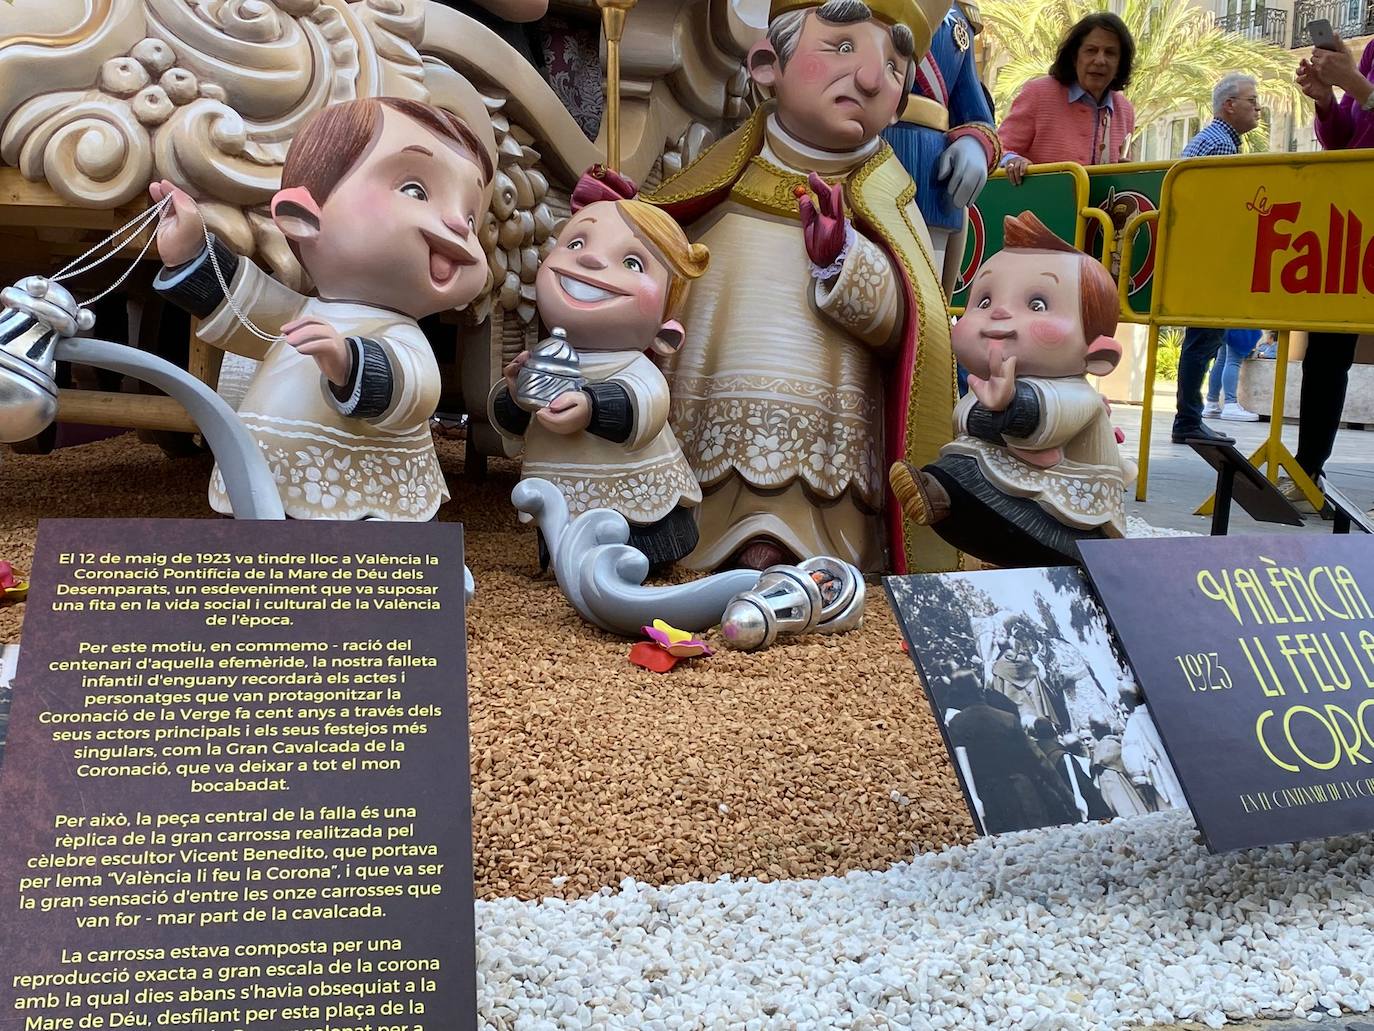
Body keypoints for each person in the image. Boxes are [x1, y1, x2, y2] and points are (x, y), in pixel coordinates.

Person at [644, 0, 957, 575]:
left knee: (814, 512)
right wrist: (630, 229)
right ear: (768, 65)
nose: (869, 78)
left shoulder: (890, 205)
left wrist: (846, 261)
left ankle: (811, 548)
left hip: (828, 449)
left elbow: (911, 333)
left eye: (893, 68)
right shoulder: (710, 181)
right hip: (703, 416)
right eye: (841, 48)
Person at [151, 99, 494, 521]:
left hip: (362, 485)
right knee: (263, 534)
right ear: (301, 216)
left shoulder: (401, 334)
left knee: (366, 548)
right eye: (415, 191)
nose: (460, 224)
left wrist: (351, 362)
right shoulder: (302, 312)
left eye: (472, 217)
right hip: (271, 471)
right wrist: (191, 251)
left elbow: (418, 388)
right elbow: (243, 305)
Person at [490, 167, 709, 568]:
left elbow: (646, 406)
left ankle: (643, 562)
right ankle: (560, 559)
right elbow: (509, 428)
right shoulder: (547, 352)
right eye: (575, 242)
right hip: (559, 489)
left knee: (636, 540)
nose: (589, 258)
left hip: (633, 491)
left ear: (665, 332)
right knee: (560, 540)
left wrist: (592, 407)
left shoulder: (634, 367)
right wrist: (517, 395)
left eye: (632, 262)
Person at [1279, 32, 1373, 512]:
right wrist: (1327, 100)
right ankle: (1306, 472)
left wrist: (1358, 85)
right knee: (1325, 354)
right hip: (1352, 227)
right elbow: (1346, 140)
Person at [880, 3, 1001, 294]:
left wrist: (975, 143)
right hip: (864, 148)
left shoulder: (958, 19)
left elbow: (974, 109)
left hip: (933, 170)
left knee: (924, 296)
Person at [1169, 73, 1262, 445]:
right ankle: (1188, 420)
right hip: (1207, 258)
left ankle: (1188, 418)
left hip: (1195, 254)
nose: (1258, 108)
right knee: (1203, 340)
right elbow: (1220, 210)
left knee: (1202, 341)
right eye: (1251, 100)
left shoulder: (1211, 139)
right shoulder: (1222, 145)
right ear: (1229, 105)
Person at [996, 13, 1136, 186]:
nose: (1100, 60)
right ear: (1074, 56)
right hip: (1039, 209)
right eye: (1091, 50)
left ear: (1120, 63)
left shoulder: (1125, 110)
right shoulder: (1038, 94)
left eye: (1110, 53)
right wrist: (1013, 160)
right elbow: (997, 149)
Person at [944, 672, 1079, 833]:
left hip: (991, 801)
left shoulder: (956, 724)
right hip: (1025, 794)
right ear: (980, 689)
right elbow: (1040, 760)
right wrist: (1070, 797)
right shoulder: (1008, 719)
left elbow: (962, 765)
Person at [1202, 328, 1261, 423]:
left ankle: (1212, 403)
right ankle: (1230, 404)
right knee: (1234, 360)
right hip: (1240, 320)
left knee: (1221, 359)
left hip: (1225, 320)